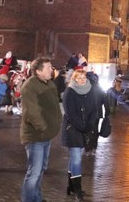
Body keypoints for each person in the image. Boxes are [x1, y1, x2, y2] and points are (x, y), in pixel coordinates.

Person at [20, 58, 62, 202]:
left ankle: (36, 198)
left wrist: (56, 122)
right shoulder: (30, 86)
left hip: (46, 136)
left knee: (40, 170)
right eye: (49, 67)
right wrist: (43, 128)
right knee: (34, 172)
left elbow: (54, 105)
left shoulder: (49, 83)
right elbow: (32, 112)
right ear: (38, 71)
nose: (52, 69)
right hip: (36, 136)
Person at [62, 69, 99, 200]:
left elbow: (95, 109)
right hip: (72, 129)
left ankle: (70, 186)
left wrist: (90, 124)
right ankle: (77, 189)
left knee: (74, 158)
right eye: (79, 78)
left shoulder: (90, 91)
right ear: (74, 79)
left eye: (84, 78)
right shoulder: (69, 92)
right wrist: (82, 126)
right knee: (77, 159)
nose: (82, 80)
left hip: (85, 129)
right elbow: (70, 113)